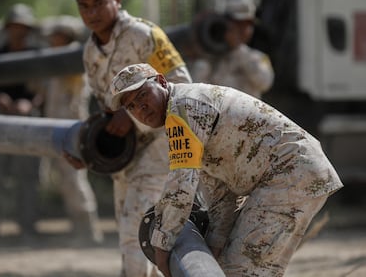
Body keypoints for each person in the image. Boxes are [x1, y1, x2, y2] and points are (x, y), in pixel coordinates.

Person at [109, 63, 343, 277]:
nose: (141, 108)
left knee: (241, 270)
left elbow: (181, 187)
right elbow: (221, 193)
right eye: (131, 106)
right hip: (291, 173)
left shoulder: (182, 109)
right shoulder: (185, 109)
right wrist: (215, 245)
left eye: (143, 95)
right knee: (238, 267)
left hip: (289, 174)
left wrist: (162, 246)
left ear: (160, 82)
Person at [64, 0, 192, 276]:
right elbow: (102, 109)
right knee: (131, 228)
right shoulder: (91, 52)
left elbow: (181, 86)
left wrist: (132, 114)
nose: (91, 12)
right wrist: (87, 149)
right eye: (84, 6)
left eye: (98, 3)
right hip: (126, 153)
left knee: (136, 221)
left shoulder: (144, 35)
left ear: (116, 0)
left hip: (161, 143)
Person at [0, 3, 44, 244]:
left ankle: (27, 230)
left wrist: (30, 104)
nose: (18, 31)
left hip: (27, 120)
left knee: (28, 178)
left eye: (23, 27)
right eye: (15, 26)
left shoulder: (37, 52)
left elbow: (44, 86)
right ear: (8, 28)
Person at [43, 16, 103, 244]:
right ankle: (80, 229)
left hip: (71, 127)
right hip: (58, 126)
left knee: (75, 179)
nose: (51, 40)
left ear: (64, 36)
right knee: (67, 180)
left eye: (55, 36)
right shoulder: (58, 60)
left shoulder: (74, 58)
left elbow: (75, 98)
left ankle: (88, 230)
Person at [191, 0, 274, 99]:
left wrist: (238, 47)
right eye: (238, 25)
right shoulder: (209, 59)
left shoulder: (256, 58)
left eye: (247, 25)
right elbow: (195, 90)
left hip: (246, 113)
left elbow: (265, 83)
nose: (243, 30)